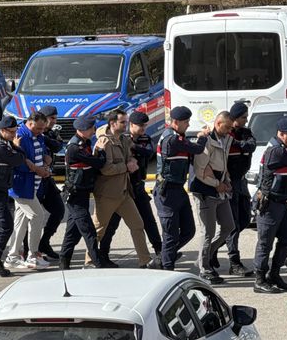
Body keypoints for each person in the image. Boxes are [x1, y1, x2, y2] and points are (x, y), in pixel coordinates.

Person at [88, 108, 152, 269]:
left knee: (137, 225)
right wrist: (126, 166)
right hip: (107, 194)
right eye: (123, 122)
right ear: (112, 123)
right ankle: (89, 262)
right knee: (98, 230)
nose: (126, 125)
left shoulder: (123, 139)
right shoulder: (104, 142)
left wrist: (131, 161)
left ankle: (145, 261)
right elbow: (106, 169)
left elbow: (129, 155)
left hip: (124, 192)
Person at [252, 116, 287, 294]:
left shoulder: (283, 149)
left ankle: (274, 274)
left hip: (281, 203)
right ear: (281, 134)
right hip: (270, 203)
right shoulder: (276, 151)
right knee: (265, 243)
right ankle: (260, 279)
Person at [101, 110, 163, 266]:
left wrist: (134, 147)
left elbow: (149, 153)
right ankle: (102, 255)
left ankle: (160, 252)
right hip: (123, 186)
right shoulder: (123, 138)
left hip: (138, 186)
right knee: (111, 225)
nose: (143, 128)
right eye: (140, 125)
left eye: (145, 125)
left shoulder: (143, 139)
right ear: (131, 125)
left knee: (148, 221)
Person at [154, 107, 209, 271]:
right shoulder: (172, 139)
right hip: (167, 192)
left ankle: (164, 256)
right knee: (170, 235)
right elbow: (197, 149)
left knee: (188, 230)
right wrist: (202, 137)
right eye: (186, 122)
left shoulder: (178, 137)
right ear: (175, 122)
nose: (188, 124)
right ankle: (166, 268)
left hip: (178, 190)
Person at [189, 111, 235, 284]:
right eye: (227, 127)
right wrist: (217, 184)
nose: (230, 130)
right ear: (218, 123)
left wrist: (226, 181)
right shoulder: (207, 140)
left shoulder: (225, 139)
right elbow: (200, 172)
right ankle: (204, 269)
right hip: (205, 191)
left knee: (229, 226)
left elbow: (222, 164)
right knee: (207, 232)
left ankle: (205, 256)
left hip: (220, 189)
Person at [59, 114, 106, 270]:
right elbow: (97, 163)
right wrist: (100, 152)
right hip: (75, 195)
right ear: (82, 130)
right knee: (88, 230)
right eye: (91, 128)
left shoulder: (84, 143)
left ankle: (63, 263)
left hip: (83, 192)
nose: (93, 131)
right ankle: (98, 263)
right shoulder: (75, 148)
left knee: (73, 233)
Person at [6, 111, 51, 270]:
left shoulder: (37, 136)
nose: (41, 131)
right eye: (38, 128)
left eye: (43, 128)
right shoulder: (21, 136)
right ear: (30, 122)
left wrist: (46, 163)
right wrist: (37, 170)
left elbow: (42, 153)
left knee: (21, 222)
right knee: (38, 216)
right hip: (22, 186)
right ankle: (33, 255)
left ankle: (12, 255)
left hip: (32, 185)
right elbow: (19, 162)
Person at [0, 116, 27, 277]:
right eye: (12, 132)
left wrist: (13, 146)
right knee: (6, 224)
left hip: (0, 189)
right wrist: (17, 147)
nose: (14, 135)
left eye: (16, 132)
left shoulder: (4, 144)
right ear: (2, 131)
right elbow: (18, 160)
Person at [224, 102, 257, 277]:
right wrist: (235, 143)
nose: (246, 120)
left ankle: (216, 247)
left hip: (241, 182)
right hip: (230, 182)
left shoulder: (245, 133)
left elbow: (251, 145)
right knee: (233, 224)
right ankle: (234, 262)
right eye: (243, 117)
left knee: (244, 219)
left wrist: (237, 143)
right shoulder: (225, 134)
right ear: (235, 118)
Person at [34, 105, 64, 259]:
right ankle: (29, 249)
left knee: (59, 210)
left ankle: (44, 242)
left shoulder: (49, 134)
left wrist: (45, 136)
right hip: (35, 180)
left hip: (48, 179)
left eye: (55, 118)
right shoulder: (33, 134)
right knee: (33, 217)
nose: (54, 121)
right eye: (52, 118)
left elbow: (58, 145)